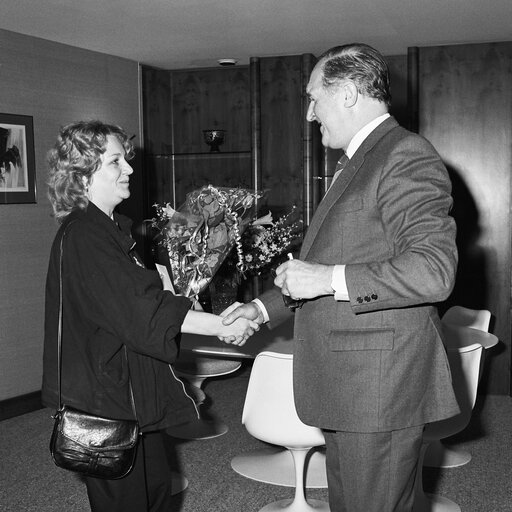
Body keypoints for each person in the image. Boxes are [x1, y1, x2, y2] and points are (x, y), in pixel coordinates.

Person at [222, 43, 459, 512]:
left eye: (314, 98)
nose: (310, 114)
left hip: (378, 392)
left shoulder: (405, 154)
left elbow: (434, 270)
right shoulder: (360, 160)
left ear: (348, 93)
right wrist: (262, 307)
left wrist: (329, 278)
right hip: (353, 389)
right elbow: (326, 265)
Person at [41, 120, 259, 512]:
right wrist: (222, 324)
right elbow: (143, 310)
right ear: (83, 174)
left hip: (132, 395)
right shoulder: (86, 236)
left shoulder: (108, 230)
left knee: (156, 491)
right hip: (107, 401)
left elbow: (142, 303)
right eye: (115, 162)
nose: (128, 169)